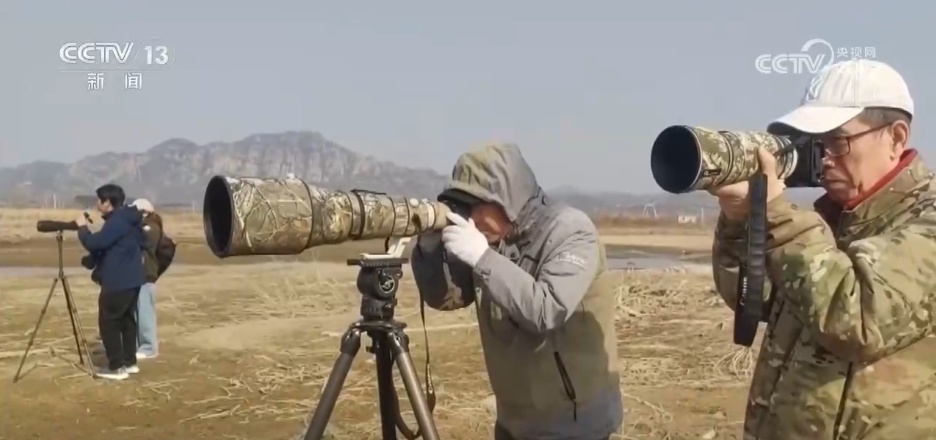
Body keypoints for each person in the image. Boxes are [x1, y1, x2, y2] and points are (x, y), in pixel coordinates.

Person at [710, 58, 936, 439]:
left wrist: (779, 217)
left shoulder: (925, 223)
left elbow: (859, 320)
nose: (824, 159)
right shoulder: (828, 219)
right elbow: (758, 300)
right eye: (815, 143)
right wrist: (740, 222)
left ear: (896, 137)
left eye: (837, 141)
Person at [411, 143, 623, 440]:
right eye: (462, 208)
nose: (469, 218)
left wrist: (483, 258)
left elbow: (547, 310)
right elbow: (447, 298)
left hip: (572, 423)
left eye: (475, 205)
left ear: (506, 198)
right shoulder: (489, 240)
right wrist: (429, 250)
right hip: (515, 421)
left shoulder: (570, 231)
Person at [76, 183, 146, 380]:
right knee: (126, 321)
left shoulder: (117, 222)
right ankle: (129, 362)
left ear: (107, 203)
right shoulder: (129, 219)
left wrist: (82, 228)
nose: (97, 204)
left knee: (109, 322)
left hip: (118, 281)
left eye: (99, 200)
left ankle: (116, 367)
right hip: (133, 279)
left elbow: (95, 242)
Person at [129, 198, 162, 359]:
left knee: (144, 312)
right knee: (135, 311)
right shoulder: (141, 227)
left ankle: (149, 347)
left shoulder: (151, 227)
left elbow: (143, 240)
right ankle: (138, 344)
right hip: (137, 274)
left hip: (146, 274)